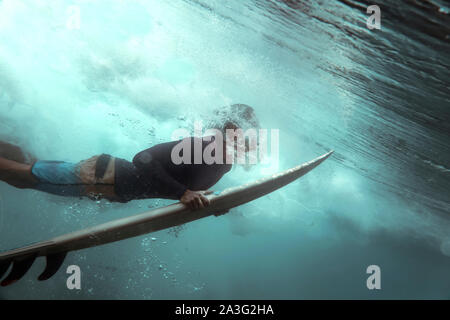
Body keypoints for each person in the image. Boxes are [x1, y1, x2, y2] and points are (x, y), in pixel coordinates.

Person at [0, 104, 259, 210]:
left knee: (25, 177)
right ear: (233, 131)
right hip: (103, 175)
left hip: (107, 184)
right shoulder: (203, 147)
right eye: (250, 131)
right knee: (24, 176)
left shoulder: (223, 164)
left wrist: (204, 205)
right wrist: (183, 192)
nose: (253, 139)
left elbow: (187, 191)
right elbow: (143, 158)